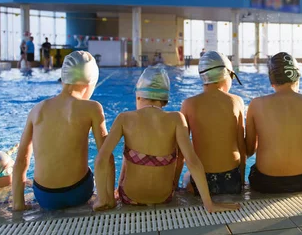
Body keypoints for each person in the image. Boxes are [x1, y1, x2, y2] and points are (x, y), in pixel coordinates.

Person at [93, 65, 239, 213]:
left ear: (138, 96)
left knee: (128, 154)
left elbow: (101, 160)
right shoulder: (176, 119)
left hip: (130, 196)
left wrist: (103, 198)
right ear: (164, 100)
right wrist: (209, 204)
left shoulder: (124, 118)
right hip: (164, 196)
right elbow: (192, 161)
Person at [12, 51, 114, 211]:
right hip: (78, 192)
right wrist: (107, 197)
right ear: (89, 84)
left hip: (44, 196)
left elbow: (20, 161)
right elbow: (105, 156)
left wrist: (18, 203)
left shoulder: (37, 109)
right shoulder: (92, 108)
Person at [245, 52, 302, 193]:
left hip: (265, 181)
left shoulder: (256, 104)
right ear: (297, 76)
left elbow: (249, 150)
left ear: (272, 80)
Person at [179, 51, 245, 196]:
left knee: (185, 177)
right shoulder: (237, 101)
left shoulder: (189, 104)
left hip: (203, 181)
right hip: (231, 180)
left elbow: (181, 152)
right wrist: (241, 181)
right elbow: (242, 147)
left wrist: (173, 185)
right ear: (226, 75)